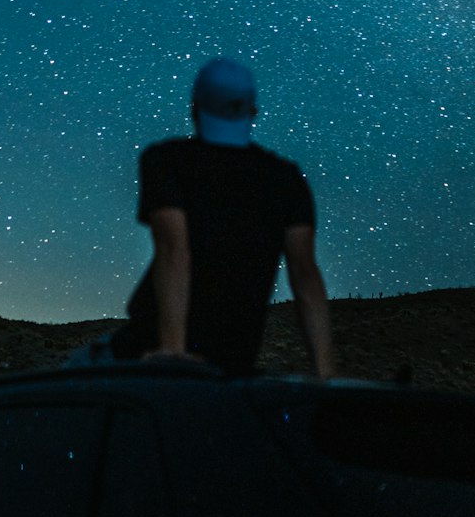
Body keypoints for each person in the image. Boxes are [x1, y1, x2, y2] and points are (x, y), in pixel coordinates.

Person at [109, 58, 335, 378]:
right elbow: (304, 272)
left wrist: (173, 350)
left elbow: (174, 250)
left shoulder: (166, 160)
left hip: (147, 346)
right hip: (234, 354)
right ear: (253, 112)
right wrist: (326, 375)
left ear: (194, 108)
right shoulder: (285, 178)